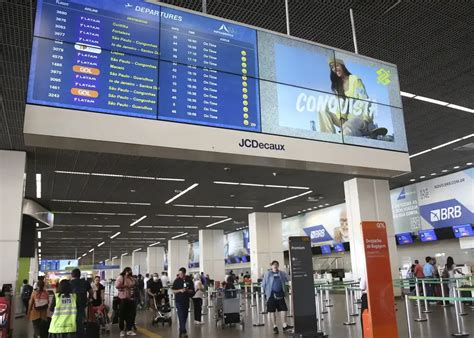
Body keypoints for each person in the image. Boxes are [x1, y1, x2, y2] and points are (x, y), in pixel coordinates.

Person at [319, 58, 388, 138]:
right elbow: (341, 106)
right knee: (322, 111)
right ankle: (329, 138)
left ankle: (368, 130)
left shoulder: (355, 79)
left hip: (360, 119)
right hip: (347, 121)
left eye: (337, 66)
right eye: (332, 67)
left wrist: (366, 119)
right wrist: (341, 118)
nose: (335, 69)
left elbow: (364, 100)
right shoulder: (338, 86)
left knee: (348, 127)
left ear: (342, 66)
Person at [261, 260, 293, 334]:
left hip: (280, 294)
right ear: (271, 266)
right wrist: (266, 293)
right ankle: (275, 326)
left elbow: (289, 279)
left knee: (283, 309)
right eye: (274, 265)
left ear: (278, 266)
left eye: (276, 264)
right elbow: (263, 284)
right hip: (271, 295)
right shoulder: (268, 274)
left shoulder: (282, 273)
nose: (275, 266)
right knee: (272, 311)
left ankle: (284, 326)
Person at [172, 267, 195, 337]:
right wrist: (180, 290)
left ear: (184, 273)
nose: (180, 275)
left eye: (181, 273)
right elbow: (173, 290)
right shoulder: (176, 280)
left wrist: (187, 291)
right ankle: (183, 330)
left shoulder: (189, 280)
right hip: (179, 301)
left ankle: (181, 328)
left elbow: (192, 290)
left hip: (186, 300)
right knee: (181, 315)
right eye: (179, 274)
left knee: (185, 315)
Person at [69, 268, 91, 338]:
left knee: (73, 320)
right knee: (80, 320)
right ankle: (81, 334)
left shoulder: (69, 283)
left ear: (72, 275)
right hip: (82, 304)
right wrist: (89, 299)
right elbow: (91, 292)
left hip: (72, 305)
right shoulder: (85, 282)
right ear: (80, 275)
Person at [115, 267, 137, 336]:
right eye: (127, 271)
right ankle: (121, 330)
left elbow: (134, 283)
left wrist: (133, 283)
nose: (129, 273)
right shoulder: (121, 277)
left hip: (130, 298)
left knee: (131, 315)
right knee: (122, 315)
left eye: (130, 271)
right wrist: (125, 286)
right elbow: (117, 285)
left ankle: (129, 329)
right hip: (123, 298)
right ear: (125, 271)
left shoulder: (130, 278)